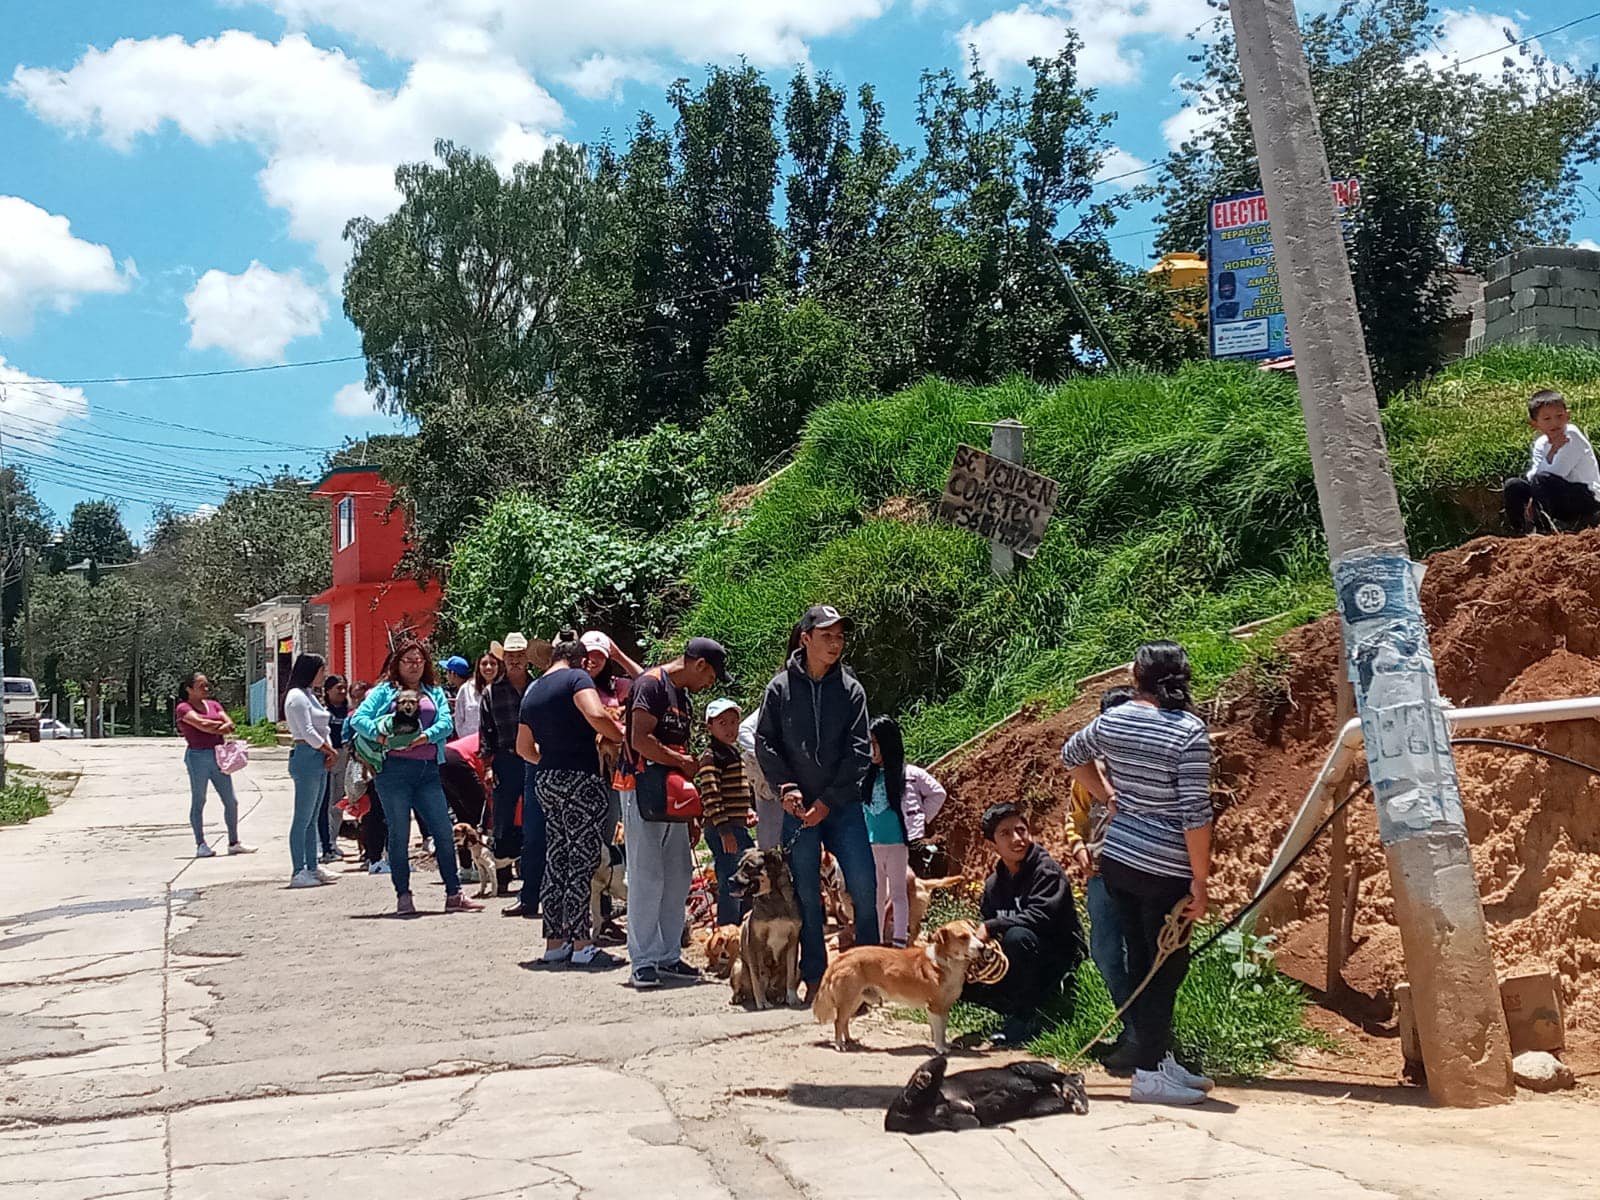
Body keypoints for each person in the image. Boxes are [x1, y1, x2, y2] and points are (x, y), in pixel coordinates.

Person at [1060, 641, 1216, 1106]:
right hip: (1166, 866)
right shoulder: (1188, 731)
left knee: (1141, 961)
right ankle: (1150, 1072)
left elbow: (1071, 755)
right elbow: (1195, 814)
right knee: (1166, 966)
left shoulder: (1116, 718)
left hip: (1121, 860)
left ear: (1137, 676)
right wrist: (1201, 879)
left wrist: (1109, 795)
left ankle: (1159, 1060)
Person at [755, 604, 879, 995]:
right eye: (826, 635)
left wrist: (828, 799)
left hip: (841, 807)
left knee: (863, 885)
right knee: (807, 892)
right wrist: (787, 789)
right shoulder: (779, 689)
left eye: (840, 636)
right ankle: (814, 976)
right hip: (798, 809)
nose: (835, 643)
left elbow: (859, 751)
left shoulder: (851, 690)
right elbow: (765, 743)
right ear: (805, 639)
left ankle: (871, 975)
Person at [619, 637, 729, 989]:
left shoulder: (682, 697)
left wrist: (693, 813)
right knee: (646, 876)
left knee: (679, 875)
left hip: (675, 797)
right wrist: (681, 761)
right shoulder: (649, 686)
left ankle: (668, 955)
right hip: (642, 788)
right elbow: (640, 739)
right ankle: (643, 959)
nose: (709, 684)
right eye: (711, 676)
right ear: (699, 664)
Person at [349, 639, 484, 916]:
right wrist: (382, 735)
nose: (414, 665)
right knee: (399, 834)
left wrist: (425, 736)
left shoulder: (433, 692)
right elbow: (357, 720)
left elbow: (446, 723)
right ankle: (404, 895)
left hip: (428, 771)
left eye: (419, 660)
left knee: (444, 832)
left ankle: (454, 893)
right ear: (397, 663)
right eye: (408, 660)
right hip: (392, 772)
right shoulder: (382, 692)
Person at [518, 630, 625, 969]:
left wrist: (551, 761)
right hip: (581, 777)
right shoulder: (576, 678)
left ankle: (554, 943)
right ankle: (581, 945)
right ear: (578, 659)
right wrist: (622, 736)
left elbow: (523, 748)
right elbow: (594, 714)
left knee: (557, 858)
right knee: (581, 860)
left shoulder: (533, 691)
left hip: (546, 778)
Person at [961, 803, 1084, 1047]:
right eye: (1005, 833)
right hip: (1016, 959)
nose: (1017, 839)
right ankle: (1012, 1008)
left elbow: (1041, 916)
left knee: (1017, 938)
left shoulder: (1046, 871)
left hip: (1056, 956)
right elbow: (990, 933)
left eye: (1020, 830)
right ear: (991, 844)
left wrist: (993, 925)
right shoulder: (994, 885)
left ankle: (1025, 1017)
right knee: (962, 963)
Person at [1064, 686, 1136, 1012]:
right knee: (1105, 953)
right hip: (1101, 875)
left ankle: (1148, 1035)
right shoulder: (1088, 772)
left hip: (1140, 874)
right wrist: (1078, 846)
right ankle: (1129, 1023)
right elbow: (1075, 818)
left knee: (1139, 952)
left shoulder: (1145, 768)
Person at [861, 715, 945, 947]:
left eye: (874, 743)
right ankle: (876, 940)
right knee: (876, 895)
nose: (871, 749)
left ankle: (899, 939)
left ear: (888, 743)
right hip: (871, 843)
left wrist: (920, 819)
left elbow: (938, 793)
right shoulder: (866, 776)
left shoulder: (910, 774)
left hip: (897, 843)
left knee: (898, 893)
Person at [480, 633, 539, 912]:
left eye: (520, 655)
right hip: (504, 759)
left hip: (536, 758)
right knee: (501, 817)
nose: (515, 660)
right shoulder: (491, 692)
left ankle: (530, 874)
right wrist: (488, 766)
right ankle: (501, 877)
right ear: (504, 659)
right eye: (511, 656)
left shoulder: (538, 687)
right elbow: (485, 733)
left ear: (528, 658)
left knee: (534, 817)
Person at [175, 672, 253, 859]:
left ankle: (234, 841)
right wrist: (217, 725)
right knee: (199, 799)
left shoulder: (214, 705)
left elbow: (230, 724)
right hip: (197, 756)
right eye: (201, 686)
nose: (206, 689)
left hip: (219, 755)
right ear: (189, 689)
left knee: (231, 800)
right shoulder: (183, 708)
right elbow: (200, 724)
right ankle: (200, 843)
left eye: (207, 685)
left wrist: (214, 725)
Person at [1504, 388, 1600, 534]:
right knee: (1513, 485)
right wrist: (1552, 452)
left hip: (1586, 498)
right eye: (1547, 419)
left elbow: (1557, 472)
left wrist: (1535, 495)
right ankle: (1519, 531)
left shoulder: (1571, 436)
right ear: (1535, 424)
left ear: (1567, 416)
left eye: (1559, 416)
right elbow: (1532, 475)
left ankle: (1545, 531)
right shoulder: (1541, 443)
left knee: (1541, 479)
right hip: (1556, 495)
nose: (1554, 423)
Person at [696, 697, 754, 927]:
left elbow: (735, 790)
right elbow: (710, 794)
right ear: (710, 727)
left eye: (733, 722)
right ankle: (728, 926)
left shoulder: (731, 753)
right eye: (723, 723)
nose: (730, 728)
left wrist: (746, 810)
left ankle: (742, 922)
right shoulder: (712, 756)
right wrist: (724, 830)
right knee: (732, 877)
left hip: (736, 824)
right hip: (724, 828)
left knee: (746, 870)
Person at [283, 654, 338, 889]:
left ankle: (311, 865)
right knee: (303, 817)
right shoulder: (296, 697)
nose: (323, 675)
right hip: (307, 755)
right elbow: (306, 731)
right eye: (321, 671)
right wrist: (329, 750)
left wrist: (327, 751)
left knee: (314, 816)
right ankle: (298, 870)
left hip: (318, 756)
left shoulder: (309, 695)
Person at [318, 675, 349, 864]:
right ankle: (323, 843)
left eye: (344, 688)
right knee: (325, 803)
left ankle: (333, 840)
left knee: (339, 803)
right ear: (328, 690)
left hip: (344, 756)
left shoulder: (348, 711)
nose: (342, 692)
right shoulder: (322, 711)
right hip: (328, 758)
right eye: (338, 688)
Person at [453, 651, 498, 740]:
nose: (488, 667)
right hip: (469, 743)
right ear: (478, 667)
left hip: (497, 744)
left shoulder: (505, 690)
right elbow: (458, 720)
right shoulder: (466, 689)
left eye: (493, 664)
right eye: (484, 664)